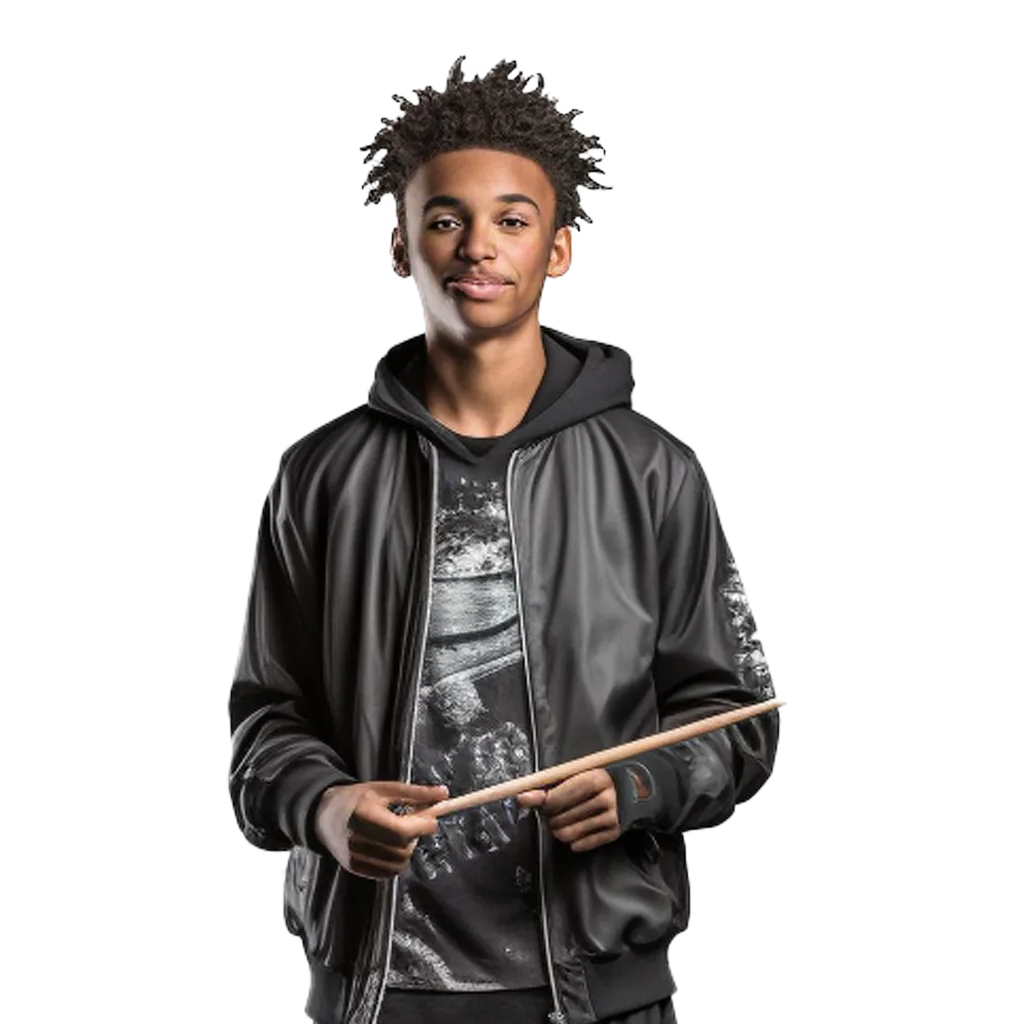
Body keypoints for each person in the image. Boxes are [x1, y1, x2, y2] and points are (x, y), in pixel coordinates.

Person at [227, 52, 781, 1024]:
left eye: (512, 221)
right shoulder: (321, 476)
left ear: (557, 249)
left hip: (594, 990)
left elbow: (736, 720)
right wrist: (324, 806)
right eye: (445, 218)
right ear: (401, 245)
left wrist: (638, 783)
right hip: (376, 991)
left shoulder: (652, 471)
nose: (477, 245)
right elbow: (264, 723)